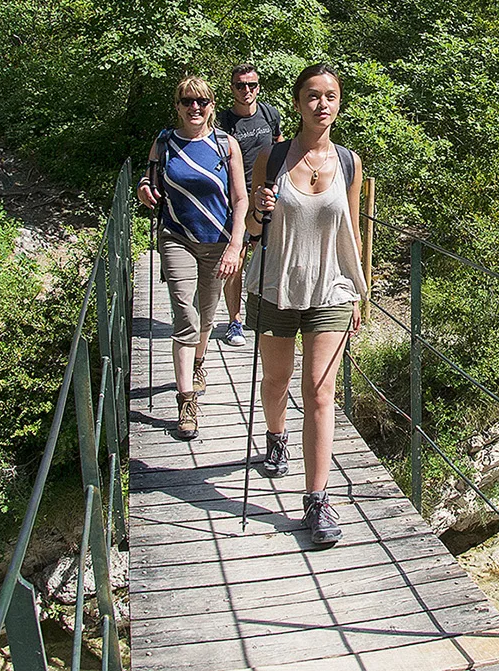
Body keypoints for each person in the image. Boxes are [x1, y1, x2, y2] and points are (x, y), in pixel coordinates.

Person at [245, 63, 366, 546]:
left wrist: (360, 292)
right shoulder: (270, 160)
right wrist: (257, 212)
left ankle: (317, 501)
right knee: (275, 381)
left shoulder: (350, 163)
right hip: (277, 284)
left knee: (319, 391)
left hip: (331, 289)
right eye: (313, 96)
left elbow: (352, 234)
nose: (322, 104)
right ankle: (276, 438)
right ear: (297, 103)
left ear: (339, 103)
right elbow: (253, 232)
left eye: (331, 96)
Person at [137, 75, 249, 440]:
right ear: (178, 106)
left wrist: (235, 245)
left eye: (201, 102)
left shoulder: (225, 145)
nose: (194, 108)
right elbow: (149, 177)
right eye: (187, 101)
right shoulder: (165, 141)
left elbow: (240, 199)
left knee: (205, 315)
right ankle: (186, 400)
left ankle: (199, 362)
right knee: (185, 315)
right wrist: (143, 187)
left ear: (212, 106)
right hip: (177, 237)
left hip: (217, 241)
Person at [216, 63, 283, 347]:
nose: (247, 91)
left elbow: (280, 145)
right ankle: (234, 320)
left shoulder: (270, 114)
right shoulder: (222, 121)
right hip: (237, 199)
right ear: (232, 88)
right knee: (237, 259)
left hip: (268, 195)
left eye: (252, 85)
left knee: (267, 256)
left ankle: (265, 315)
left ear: (258, 87)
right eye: (240, 85)